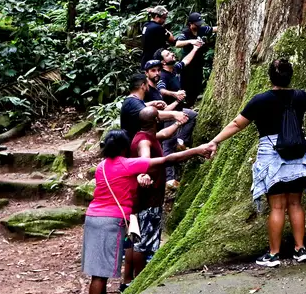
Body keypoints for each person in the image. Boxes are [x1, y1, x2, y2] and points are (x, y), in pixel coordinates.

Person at [203, 58, 306, 267]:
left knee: (278, 207)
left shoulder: (260, 100)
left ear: (269, 77)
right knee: (296, 203)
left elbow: (237, 124)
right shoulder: (300, 96)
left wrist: (214, 141)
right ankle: (300, 250)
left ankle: (273, 254)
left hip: (273, 156)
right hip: (298, 154)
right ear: (290, 77)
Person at [82, 129, 210, 294]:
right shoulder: (127, 164)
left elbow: (119, 179)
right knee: (100, 276)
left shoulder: (101, 166)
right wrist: (197, 150)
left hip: (93, 218)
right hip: (110, 222)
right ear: (124, 147)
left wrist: (139, 177)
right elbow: (167, 160)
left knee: (97, 273)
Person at [128, 108, 181, 280]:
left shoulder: (146, 136)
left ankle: (132, 281)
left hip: (148, 199)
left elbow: (164, 134)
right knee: (143, 244)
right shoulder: (144, 142)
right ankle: (141, 280)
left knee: (140, 241)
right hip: (148, 200)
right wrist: (143, 173)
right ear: (156, 120)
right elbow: (145, 159)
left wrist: (179, 123)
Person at [155, 49, 201, 189]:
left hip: (179, 110)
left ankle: (181, 141)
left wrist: (195, 48)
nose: (172, 54)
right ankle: (169, 179)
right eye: (168, 54)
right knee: (168, 145)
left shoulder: (174, 69)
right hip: (169, 112)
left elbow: (185, 61)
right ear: (163, 62)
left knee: (192, 116)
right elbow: (161, 90)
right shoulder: (163, 75)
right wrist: (175, 94)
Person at [119, 73, 188, 141]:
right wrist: (174, 114)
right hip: (133, 144)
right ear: (143, 86)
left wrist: (153, 103)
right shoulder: (132, 102)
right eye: (147, 84)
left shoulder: (132, 100)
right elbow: (150, 114)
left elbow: (139, 107)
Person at [172, 13, 218, 107]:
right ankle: (183, 105)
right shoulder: (186, 32)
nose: (199, 25)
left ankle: (192, 103)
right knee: (186, 85)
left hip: (198, 63)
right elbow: (177, 43)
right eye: (197, 24)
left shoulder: (202, 29)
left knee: (197, 85)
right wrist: (190, 41)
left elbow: (213, 29)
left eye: (200, 23)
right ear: (190, 24)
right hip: (187, 63)